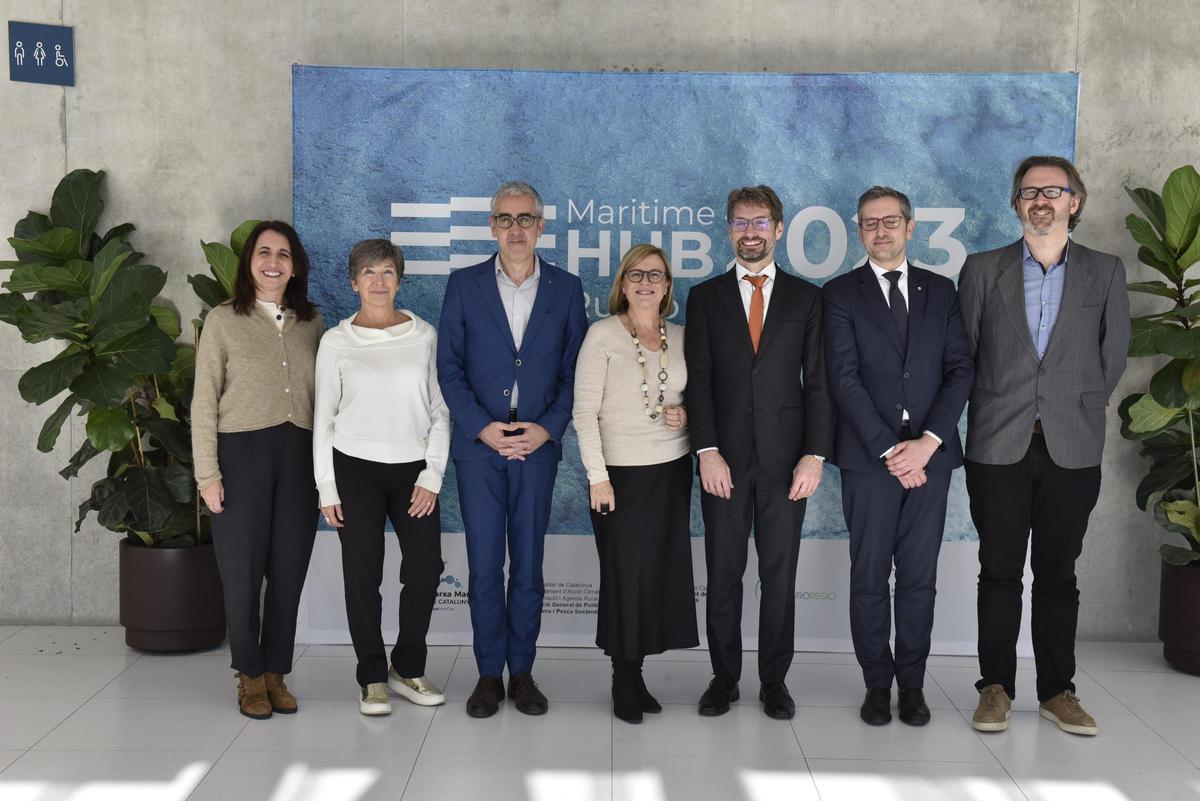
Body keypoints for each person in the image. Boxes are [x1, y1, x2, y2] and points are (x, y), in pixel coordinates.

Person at [959, 155, 1129, 736]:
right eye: (1029, 192)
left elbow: (1112, 358)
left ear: (1073, 202)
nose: (1040, 201)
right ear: (1016, 203)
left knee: (1059, 575)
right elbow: (967, 355)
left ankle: (1058, 691)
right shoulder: (982, 269)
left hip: (1072, 446)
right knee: (998, 572)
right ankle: (994, 690)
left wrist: (1065, 404)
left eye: (1053, 191)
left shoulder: (1104, 271)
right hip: (996, 445)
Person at [823, 186, 974, 727]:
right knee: (868, 576)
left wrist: (927, 443)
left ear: (911, 228)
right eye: (869, 224)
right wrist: (891, 449)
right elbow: (842, 379)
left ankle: (912, 684)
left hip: (931, 458)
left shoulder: (942, 290)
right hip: (870, 460)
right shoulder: (839, 294)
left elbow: (961, 370)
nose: (881, 231)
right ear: (859, 232)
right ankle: (876, 683)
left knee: (918, 577)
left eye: (891, 222)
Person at [437, 181, 588, 718]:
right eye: (506, 218)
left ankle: (521, 671)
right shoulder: (463, 285)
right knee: (483, 567)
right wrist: (482, 427)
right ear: (492, 226)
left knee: (527, 565)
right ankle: (486, 674)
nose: (516, 228)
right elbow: (448, 369)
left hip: (538, 444)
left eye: (526, 218)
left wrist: (546, 429)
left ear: (541, 226)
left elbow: (577, 373)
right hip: (481, 447)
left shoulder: (568, 290)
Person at [684, 184, 835, 720]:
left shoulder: (806, 297)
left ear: (778, 226)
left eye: (760, 222)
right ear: (729, 230)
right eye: (741, 223)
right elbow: (697, 383)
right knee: (723, 574)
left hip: (785, 462)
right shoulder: (704, 298)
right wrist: (705, 450)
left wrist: (814, 455)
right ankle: (723, 679)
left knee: (779, 575)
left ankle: (774, 681)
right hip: (722, 459)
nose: (751, 232)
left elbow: (818, 384)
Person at [191, 220, 324, 720]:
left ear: (295, 265)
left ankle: (276, 673)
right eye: (264, 252)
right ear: (250, 263)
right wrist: (208, 475)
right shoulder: (223, 319)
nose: (274, 262)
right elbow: (204, 401)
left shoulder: (313, 321)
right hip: (239, 455)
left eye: (284, 254)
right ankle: (249, 676)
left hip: (299, 456)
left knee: (289, 570)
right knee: (242, 573)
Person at [313, 239, 450, 716]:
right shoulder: (335, 342)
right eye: (368, 272)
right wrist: (326, 488)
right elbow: (323, 420)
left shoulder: (425, 335)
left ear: (399, 280)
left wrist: (431, 475)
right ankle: (371, 674)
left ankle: (406, 667)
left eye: (387, 272)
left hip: (413, 470)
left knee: (426, 568)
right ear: (353, 282)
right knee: (361, 574)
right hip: (354, 469)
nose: (378, 281)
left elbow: (439, 411)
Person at [573, 244, 699, 724]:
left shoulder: (682, 337)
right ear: (622, 284)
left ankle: (638, 671)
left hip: (671, 471)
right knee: (626, 578)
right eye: (636, 275)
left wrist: (684, 414)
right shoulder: (602, 336)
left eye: (656, 275)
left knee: (656, 577)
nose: (646, 283)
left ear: (668, 286)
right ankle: (621, 678)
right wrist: (597, 478)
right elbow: (584, 413)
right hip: (619, 477)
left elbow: (697, 402)